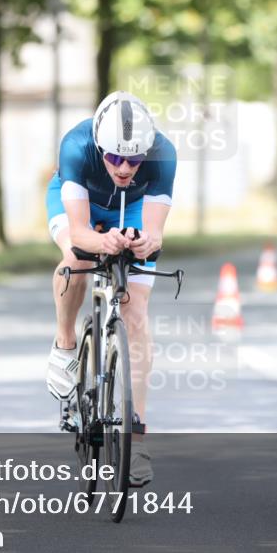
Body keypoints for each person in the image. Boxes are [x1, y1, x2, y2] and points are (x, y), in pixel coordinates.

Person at [44, 91, 176, 487]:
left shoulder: (164, 154)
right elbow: (82, 231)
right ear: (100, 146)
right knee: (77, 258)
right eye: (114, 157)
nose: (123, 167)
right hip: (83, 204)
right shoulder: (77, 145)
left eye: (133, 160)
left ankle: (135, 437)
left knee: (135, 313)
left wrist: (143, 242)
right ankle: (66, 341)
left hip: (133, 208)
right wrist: (102, 242)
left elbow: (154, 234)